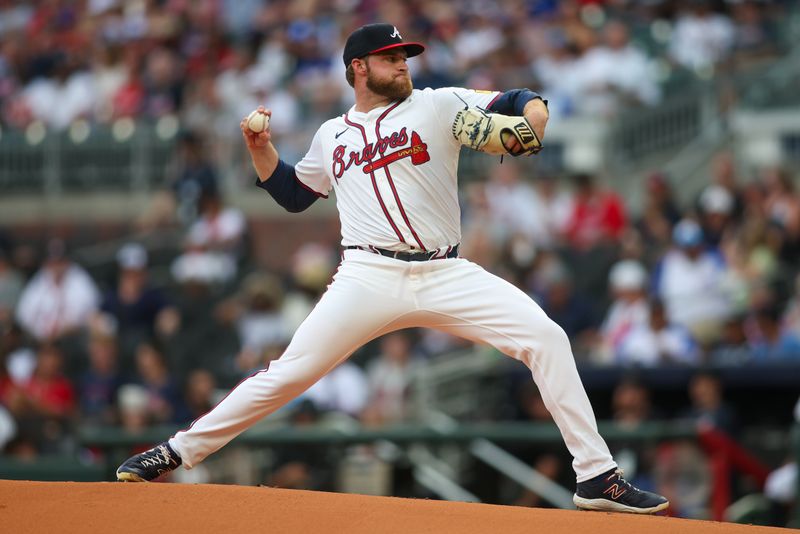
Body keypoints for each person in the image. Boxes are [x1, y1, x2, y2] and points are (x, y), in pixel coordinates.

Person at [116, 23, 668, 514]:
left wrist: (536, 113)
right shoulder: (331, 135)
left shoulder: (437, 103)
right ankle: (176, 450)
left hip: (447, 272)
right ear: (358, 68)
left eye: (405, 55)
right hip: (367, 276)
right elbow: (290, 193)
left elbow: (517, 97)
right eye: (390, 56)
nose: (403, 63)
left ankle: (597, 476)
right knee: (288, 374)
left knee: (546, 337)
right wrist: (258, 147)